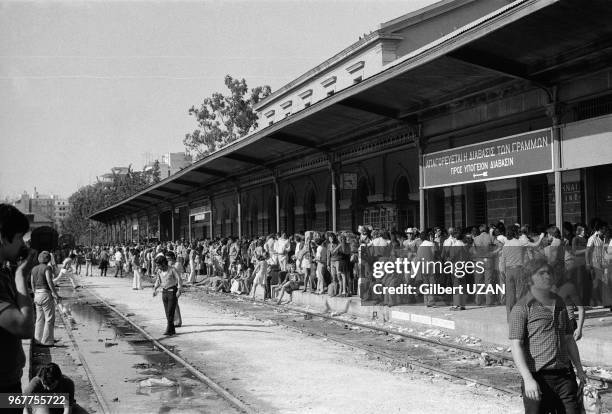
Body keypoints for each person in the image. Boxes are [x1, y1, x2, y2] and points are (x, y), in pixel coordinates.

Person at [509, 258, 587, 414]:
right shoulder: (521, 307)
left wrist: (579, 368)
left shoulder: (559, 302)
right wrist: (528, 379)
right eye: (541, 273)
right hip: (538, 378)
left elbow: (568, 339)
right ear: (529, 278)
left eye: (549, 272)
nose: (547, 276)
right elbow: (516, 345)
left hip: (564, 375)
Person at [0, 204, 35, 399]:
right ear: (3, 238)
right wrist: (22, 275)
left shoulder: (4, 274)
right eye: (20, 237)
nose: (24, 244)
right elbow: (25, 328)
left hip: (10, 382)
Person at [31, 251, 61, 346]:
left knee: (39, 318)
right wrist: (55, 293)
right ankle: (47, 341)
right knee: (49, 318)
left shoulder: (34, 269)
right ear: (48, 259)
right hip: (45, 294)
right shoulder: (47, 268)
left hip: (37, 295)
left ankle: (37, 339)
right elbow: (49, 281)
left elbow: (32, 282)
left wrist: (35, 292)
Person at [152, 255, 182, 336]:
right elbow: (158, 281)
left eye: (158, 265)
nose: (157, 267)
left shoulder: (172, 269)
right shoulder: (159, 272)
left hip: (172, 292)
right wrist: (155, 289)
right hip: (164, 292)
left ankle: (169, 330)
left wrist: (179, 290)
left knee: (170, 312)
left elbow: (179, 279)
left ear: (163, 263)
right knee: (167, 312)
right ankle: (172, 330)